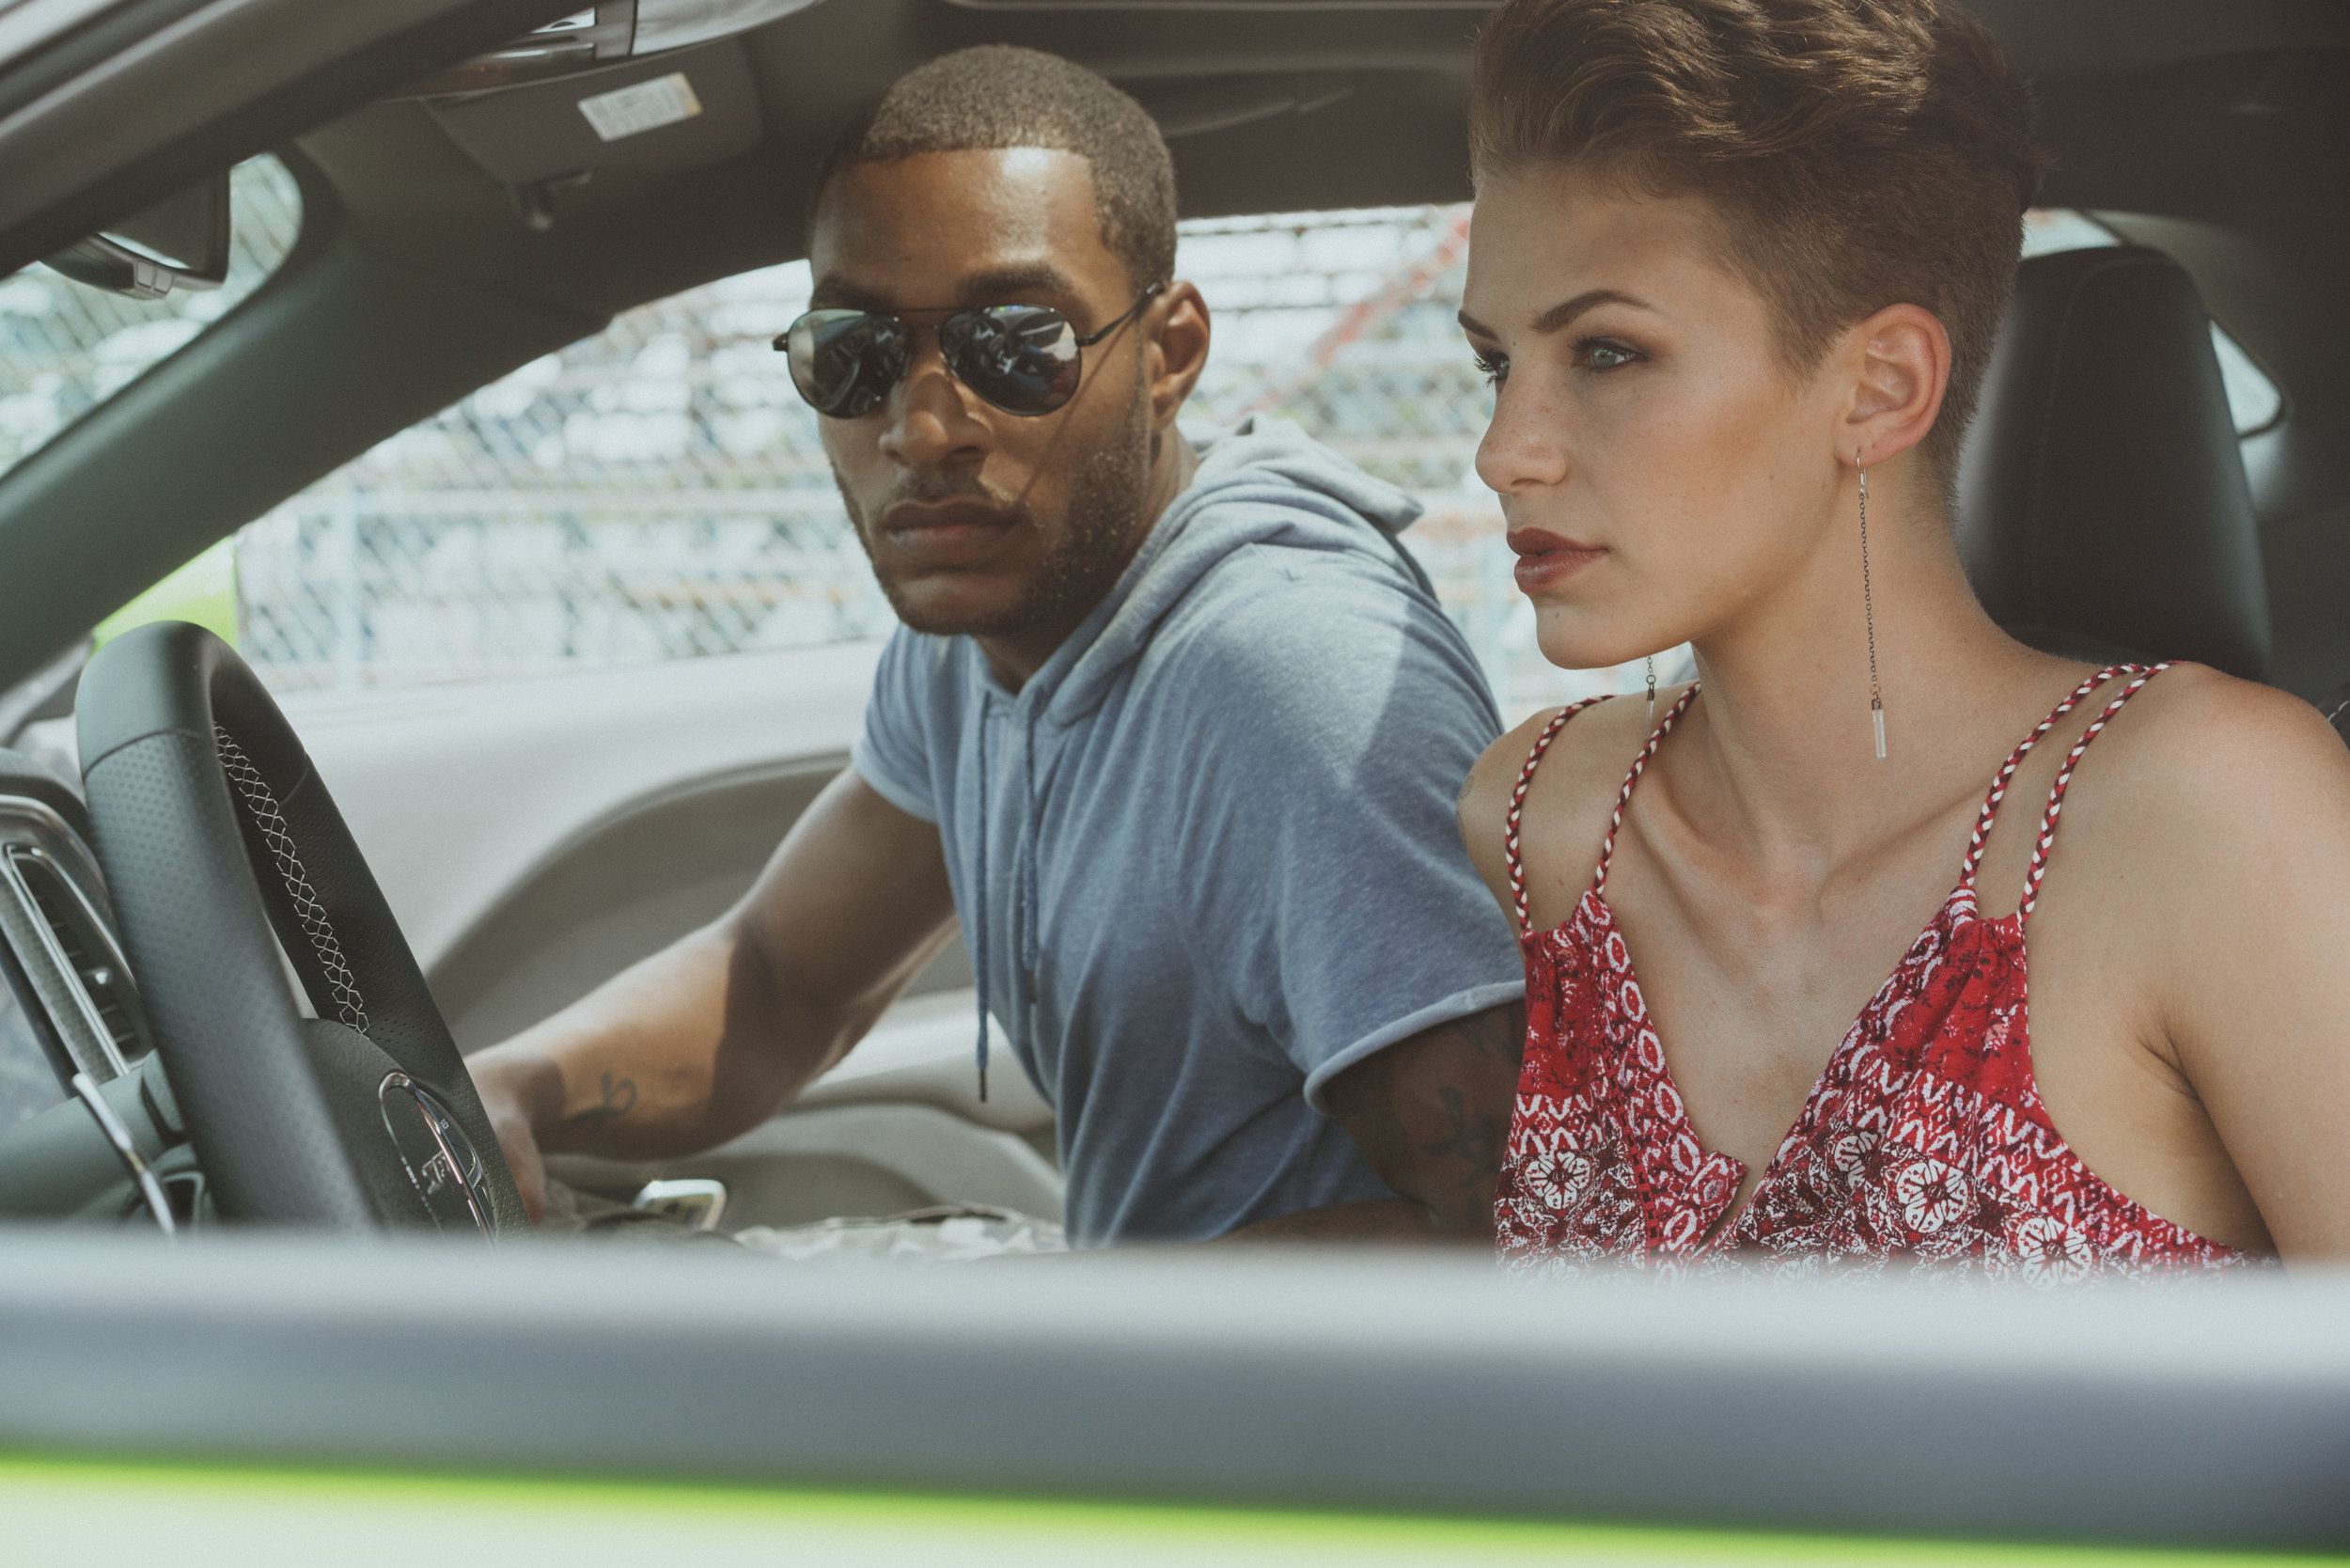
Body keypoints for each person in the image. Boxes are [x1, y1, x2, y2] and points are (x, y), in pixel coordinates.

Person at [470, 46, 1528, 1248]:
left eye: (1015, 345)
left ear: (1170, 354)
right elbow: (780, 982)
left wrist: (1048, 1338)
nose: (921, 427)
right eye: (854, 355)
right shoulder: (984, 625)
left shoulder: (1285, 676)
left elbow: (1517, 1241)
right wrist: (509, 1089)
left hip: (1279, 1429)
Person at [1452, 0, 2350, 1277]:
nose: (1505, 452)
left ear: (1879, 391)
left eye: (1607, 352)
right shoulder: (1539, 820)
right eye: (1497, 363)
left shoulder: (2207, 814)